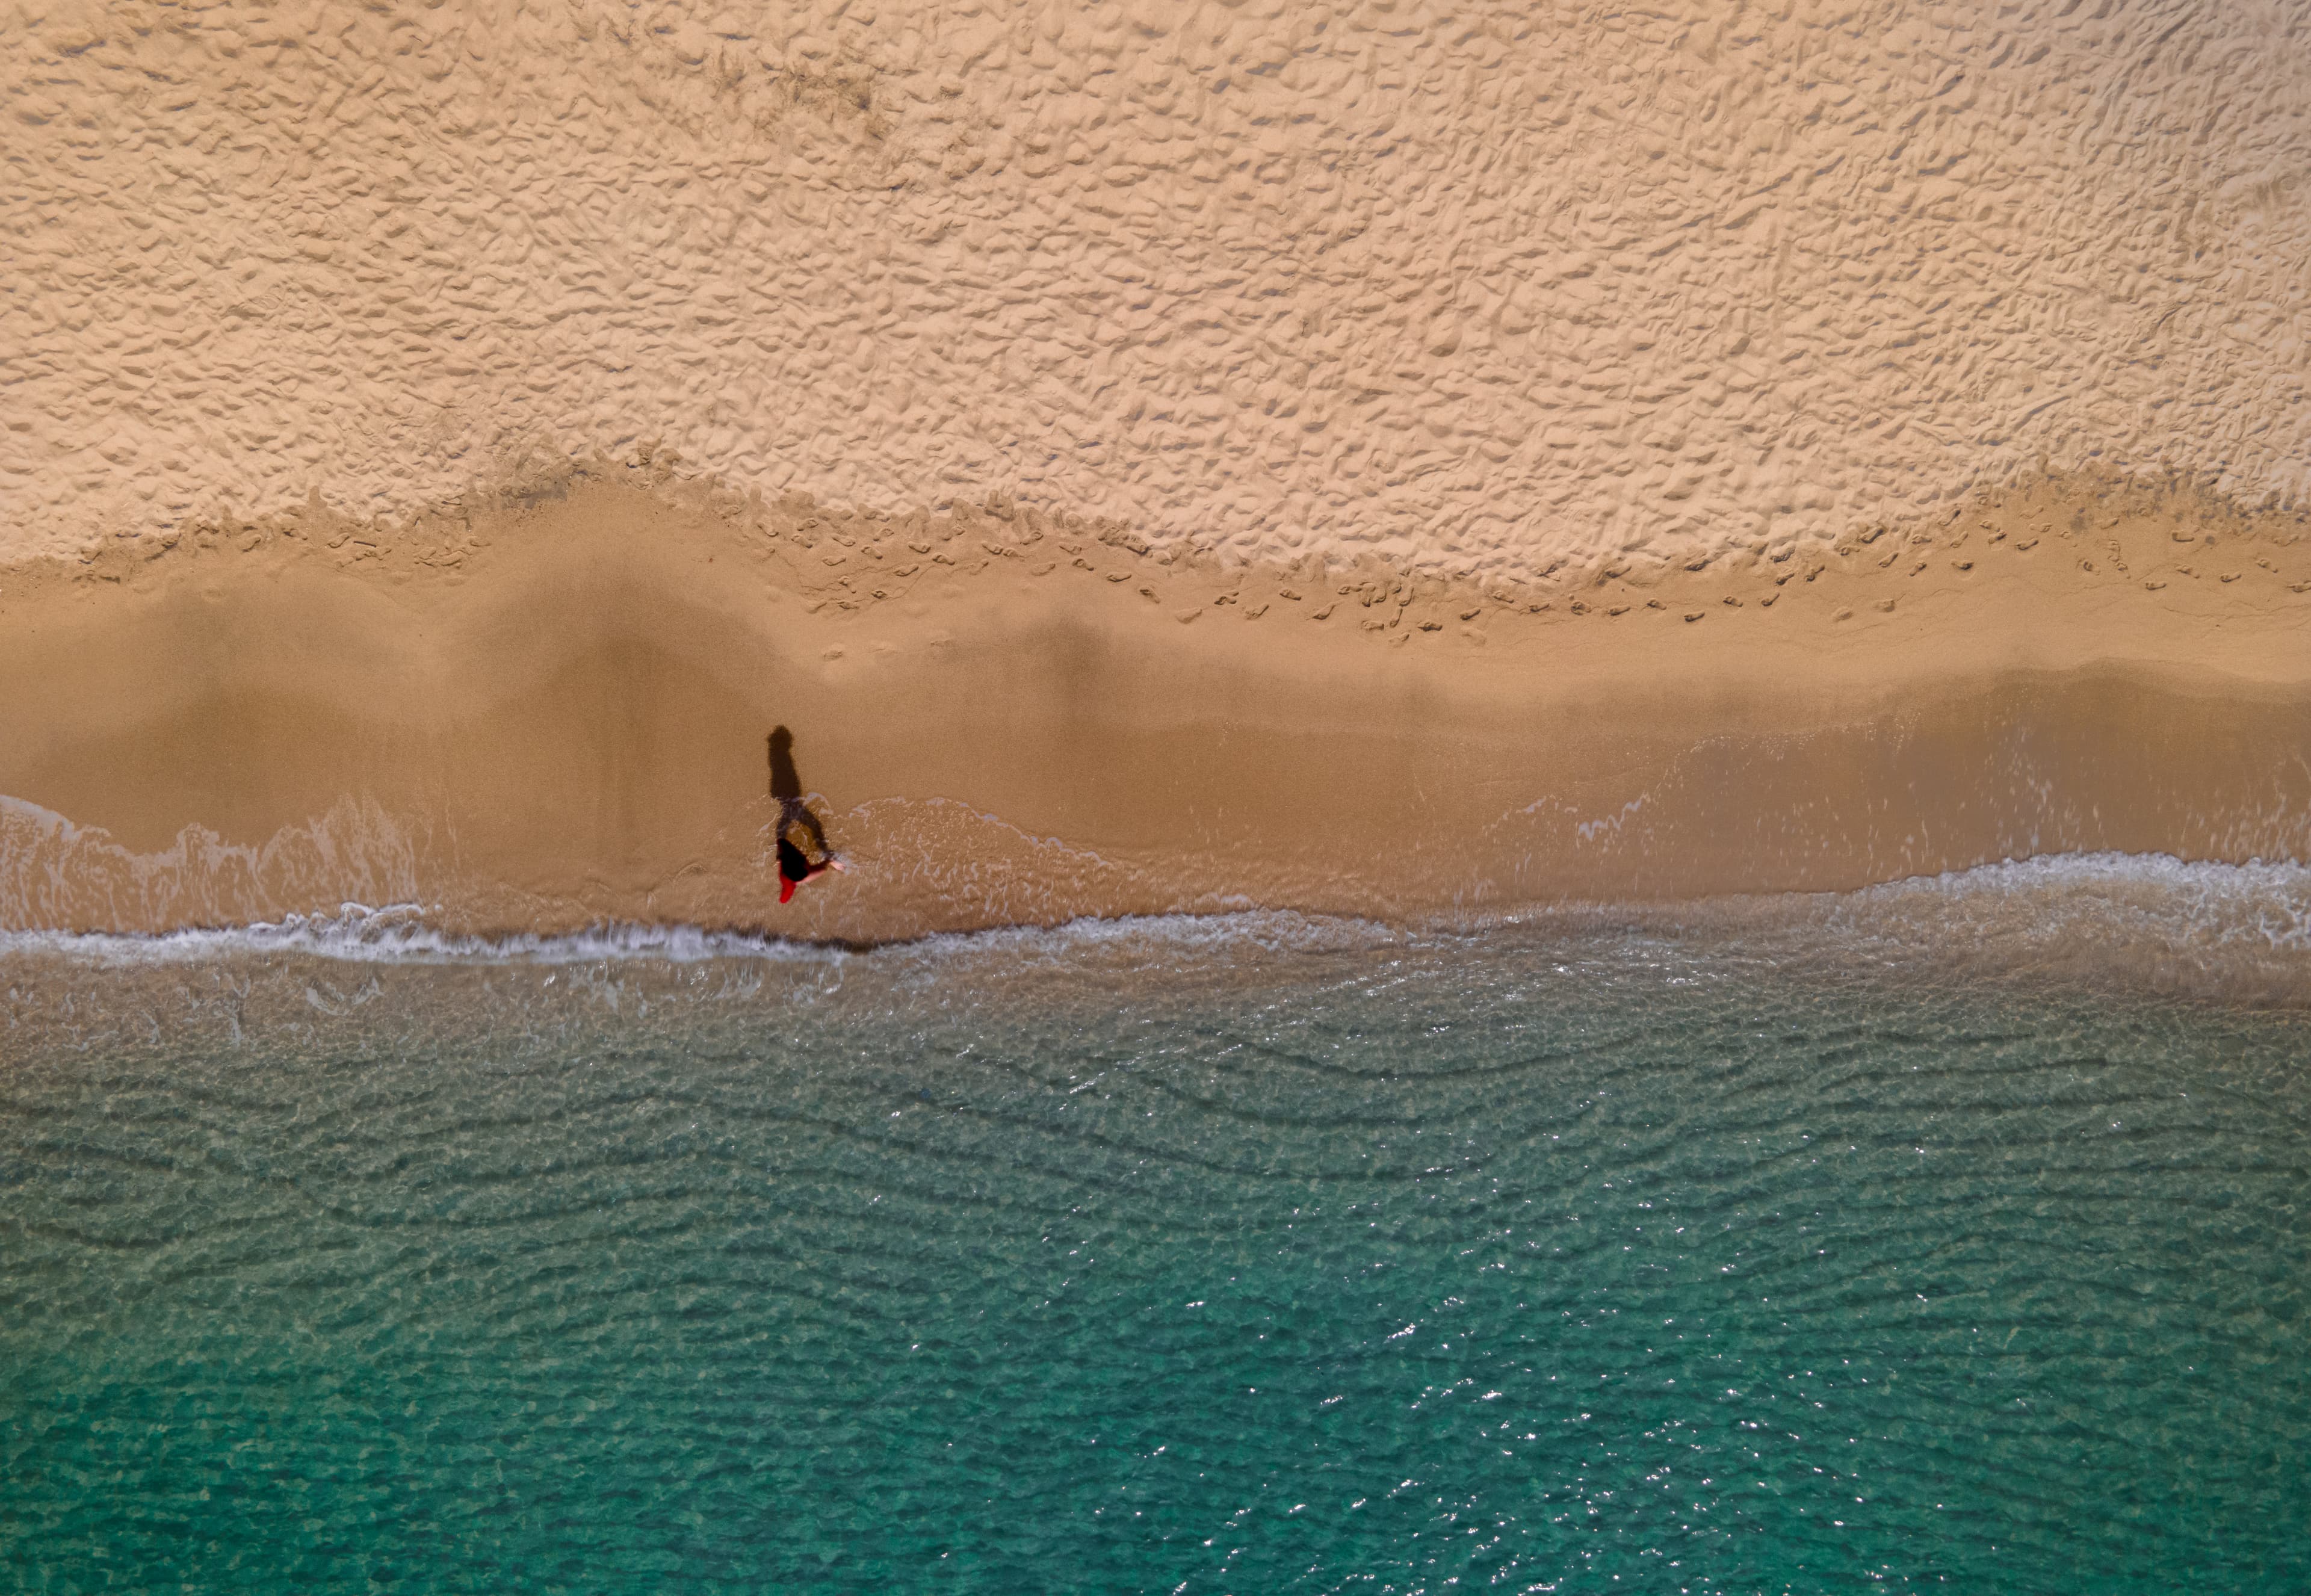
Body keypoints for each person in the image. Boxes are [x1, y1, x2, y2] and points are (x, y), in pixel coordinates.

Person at [768, 726, 845, 902]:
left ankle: (777, 747)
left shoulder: (788, 870)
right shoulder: (803, 876)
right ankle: (778, 748)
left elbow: (781, 838)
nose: (807, 865)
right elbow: (825, 865)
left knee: (787, 818)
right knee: (810, 823)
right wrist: (832, 861)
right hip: (786, 800)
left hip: (785, 847)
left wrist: (780, 857)